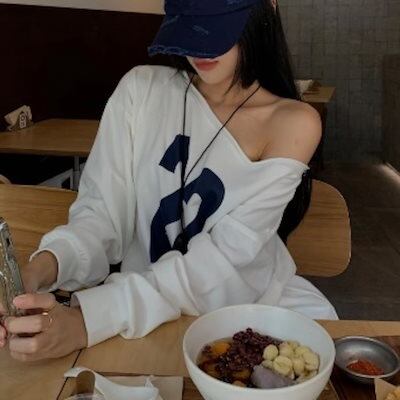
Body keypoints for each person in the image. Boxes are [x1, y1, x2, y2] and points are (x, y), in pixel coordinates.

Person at [0, 0, 338, 362]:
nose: (199, 49)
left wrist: (88, 321)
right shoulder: (140, 91)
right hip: (141, 313)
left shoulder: (292, 123)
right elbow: (100, 216)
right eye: (189, 25)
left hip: (251, 308)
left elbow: (225, 261)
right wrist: (37, 271)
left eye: (216, 25)